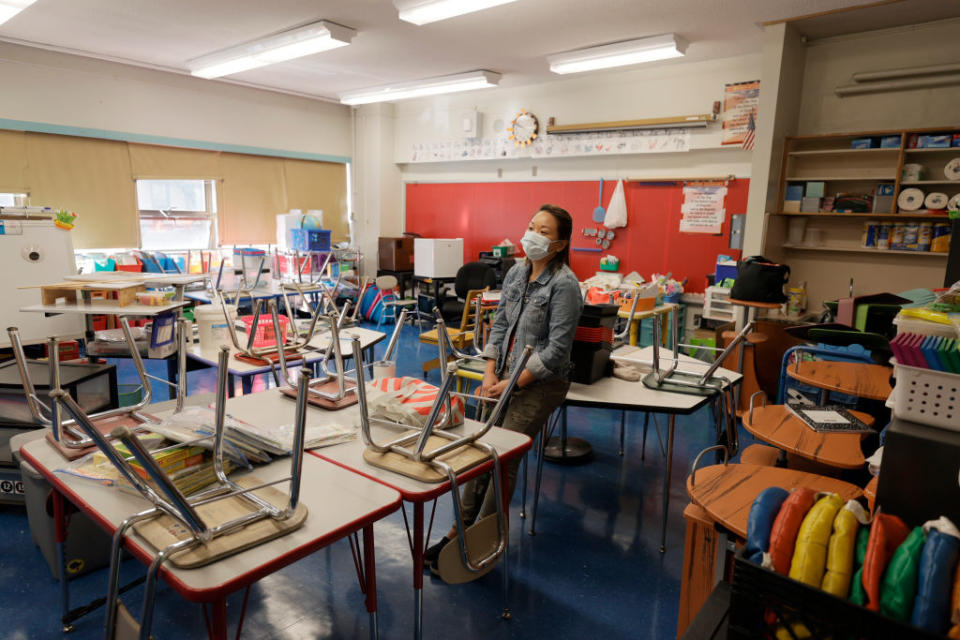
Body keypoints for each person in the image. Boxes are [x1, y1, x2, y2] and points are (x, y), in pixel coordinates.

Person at [424, 203, 583, 572]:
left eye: (544, 231)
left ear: (559, 244)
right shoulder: (515, 273)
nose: (533, 235)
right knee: (478, 450)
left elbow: (557, 351)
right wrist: (490, 373)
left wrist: (514, 382)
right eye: (532, 226)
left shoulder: (565, 285)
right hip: (502, 379)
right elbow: (498, 328)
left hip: (541, 384)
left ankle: (483, 542)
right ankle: (457, 532)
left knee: (501, 459)